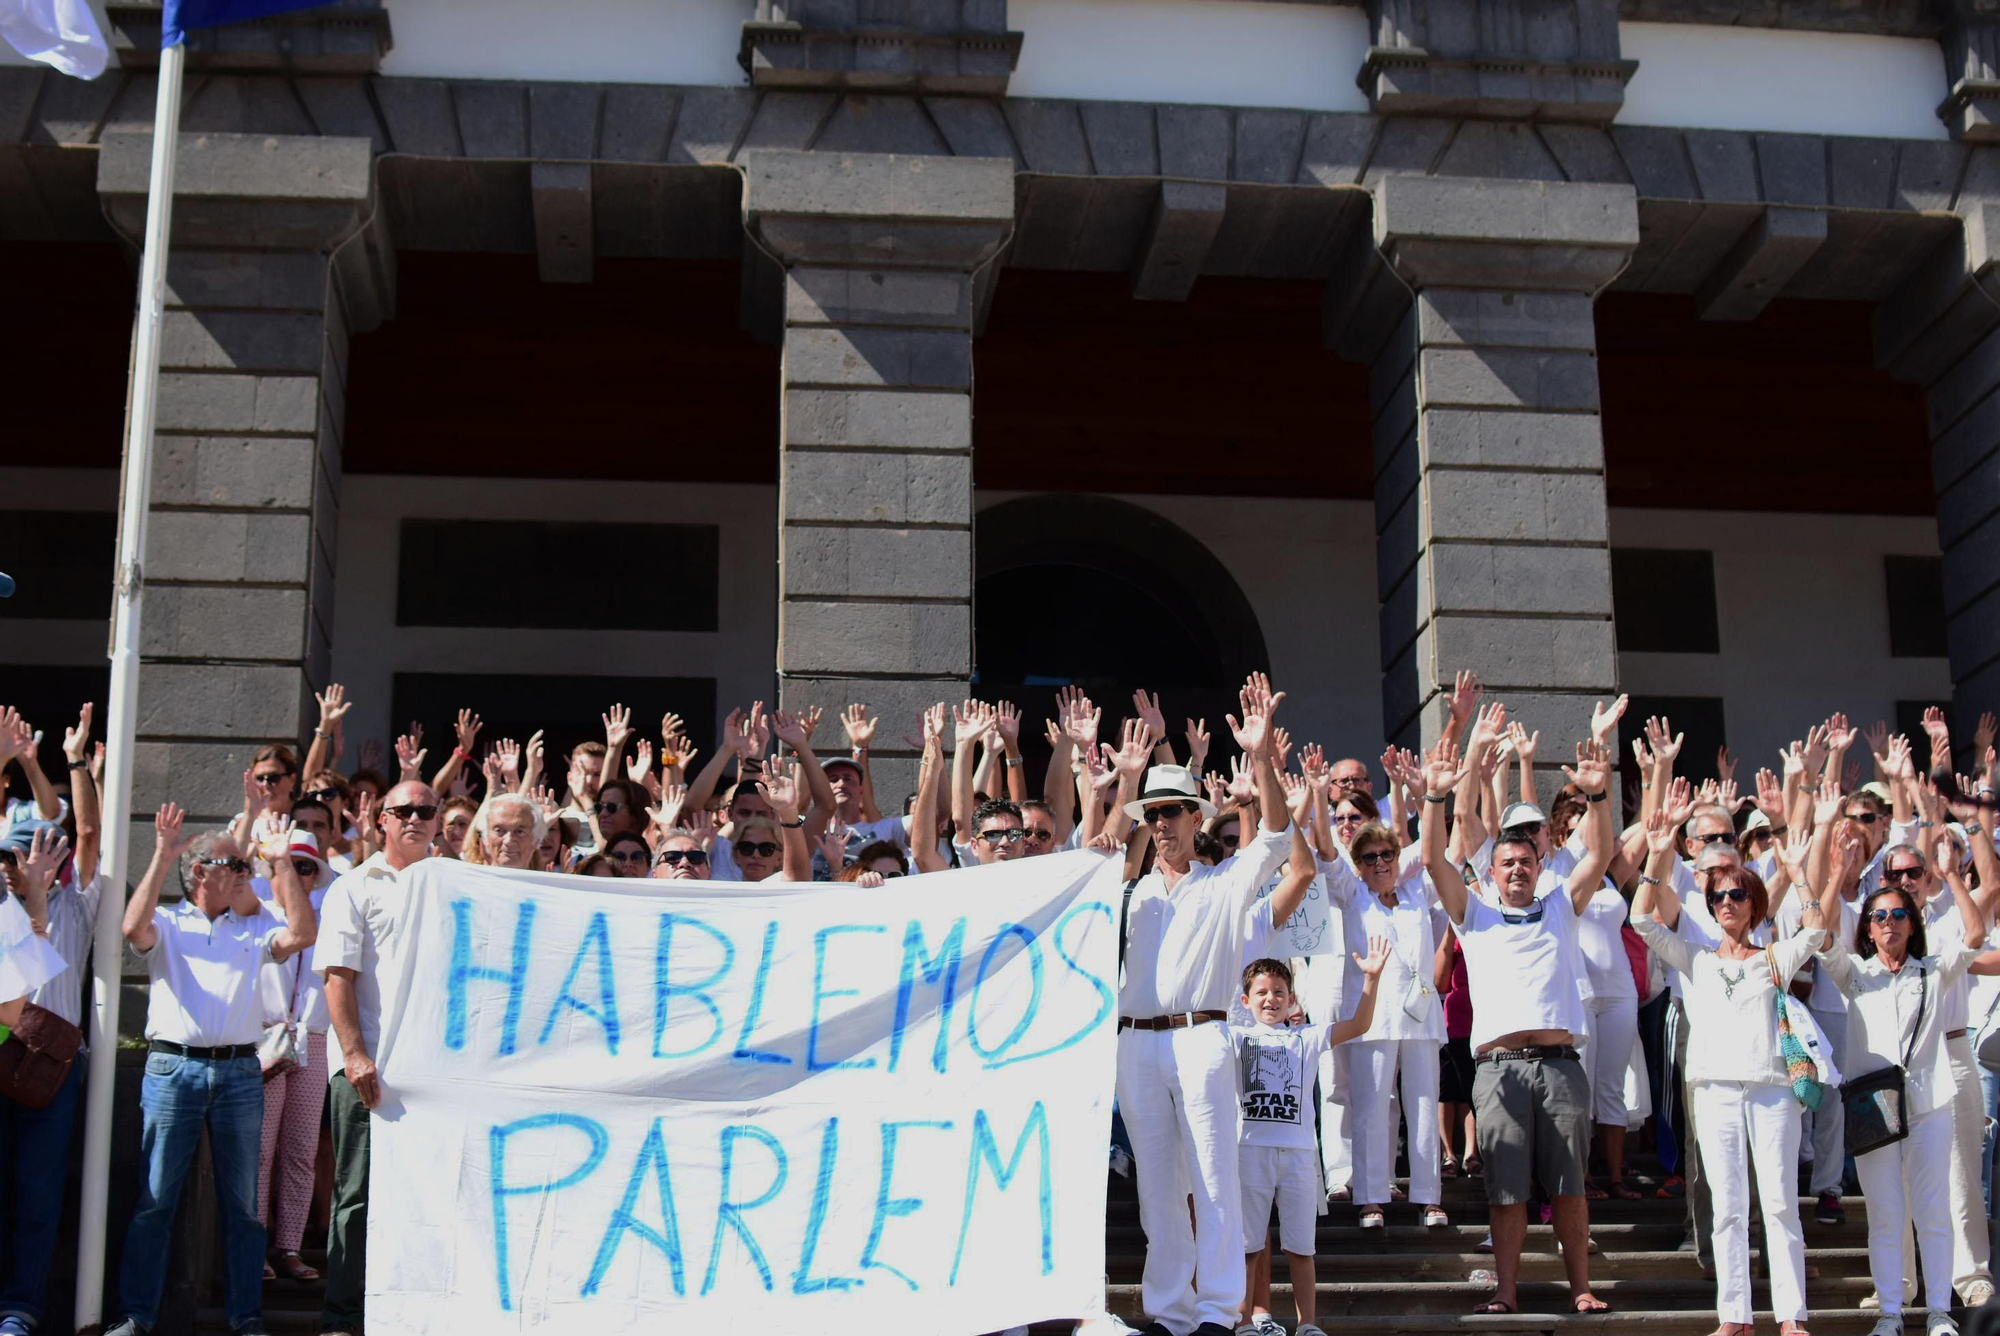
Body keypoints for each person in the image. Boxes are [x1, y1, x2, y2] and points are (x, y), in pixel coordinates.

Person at [1101, 674, 1291, 1336]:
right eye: (1152, 815)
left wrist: (1262, 756)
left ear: (1195, 817)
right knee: (1156, 1191)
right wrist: (1128, 779)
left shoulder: (1224, 883)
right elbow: (1094, 852)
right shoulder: (1128, 891)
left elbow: (1277, 837)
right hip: (1136, 1042)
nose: (1161, 825)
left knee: (1213, 1181)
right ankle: (1171, 1312)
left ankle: (1217, 1311)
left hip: (1202, 1038)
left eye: (1172, 812)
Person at [1419, 733, 1615, 1318]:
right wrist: (1433, 799)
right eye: (1506, 863)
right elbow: (1433, 861)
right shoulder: (1473, 913)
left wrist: (1598, 793)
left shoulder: (1559, 905)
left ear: (1539, 864)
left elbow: (1600, 857)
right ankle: (1504, 1291)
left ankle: (1580, 1287)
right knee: (1504, 1192)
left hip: (1560, 1068)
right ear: (1493, 871)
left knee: (1570, 1188)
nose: (1517, 870)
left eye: (1526, 860)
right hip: (1499, 1071)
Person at [105, 805, 317, 1336]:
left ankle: (245, 1319)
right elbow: (132, 928)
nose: (246, 873)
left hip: (241, 1073)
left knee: (243, 1209)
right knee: (155, 1201)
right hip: (173, 1068)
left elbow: (302, 934)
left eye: (246, 865)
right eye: (236, 865)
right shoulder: (170, 922)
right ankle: (137, 1316)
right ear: (202, 872)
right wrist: (162, 853)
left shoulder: (253, 926)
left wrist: (281, 863)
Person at [1631, 817, 1823, 1336]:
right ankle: (1735, 1317)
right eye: (1719, 897)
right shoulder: (1694, 958)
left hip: (1772, 1089)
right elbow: (1642, 920)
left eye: (1738, 894)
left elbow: (1817, 929)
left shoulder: (1774, 958)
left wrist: (1797, 873)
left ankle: (1791, 1316)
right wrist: (1655, 856)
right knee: (1727, 1207)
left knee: (1781, 1204)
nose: (1728, 903)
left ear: (1754, 903)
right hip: (1713, 1089)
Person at [1822, 843, 1988, 1336]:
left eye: (1898, 915)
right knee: (1885, 1213)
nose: (1889, 923)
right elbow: (1819, 932)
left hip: (1930, 1104)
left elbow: (1976, 933)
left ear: (1912, 924)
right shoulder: (1856, 974)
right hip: (1874, 1108)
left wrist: (1952, 875)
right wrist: (1836, 875)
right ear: (1868, 929)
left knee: (1934, 1210)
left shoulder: (1932, 971)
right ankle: (1891, 1314)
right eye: (1879, 916)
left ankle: (1939, 1311)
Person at [315, 782, 442, 1336]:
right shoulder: (352, 887)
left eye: (426, 811)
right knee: (358, 1194)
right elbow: (336, 978)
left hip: (434, 1070)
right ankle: (344, 1319)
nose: (416, 818)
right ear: (382, 820)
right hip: (369, 1066)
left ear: (438, 822)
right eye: (404, 811)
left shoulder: (455, 884)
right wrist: (354, 1055)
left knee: (432, 1194)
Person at [0, 703, 96, 1336]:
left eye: (34, 854)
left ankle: (21, 1310)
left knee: (38, 1198)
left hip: (52, 1068)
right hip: (1, 1044)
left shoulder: (79, 902)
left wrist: (76, 762)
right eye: (10, 856)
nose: (19, 866)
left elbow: (88, 833)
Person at [1316, 819, 1450, 1229]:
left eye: (1386, 855)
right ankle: (1371, 1197)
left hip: (1421, 1017)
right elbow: (1325, 851)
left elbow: (1439, 853)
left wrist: (1437, 796)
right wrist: (1319, 796)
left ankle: (1429, 1197)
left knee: (1424, 1106)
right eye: (1369, 857)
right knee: (1372, 1107)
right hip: (1371, 1018)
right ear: (1358, 863)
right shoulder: (1352, 892)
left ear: (1397, 856)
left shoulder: (1416, 890)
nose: (1379, 863)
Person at [254, 829, 335, 1285]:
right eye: (288, 863)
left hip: (314, 1039)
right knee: (261, 1151)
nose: (297, 874)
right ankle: (255, 1246)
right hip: (263, 1038)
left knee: (301, 1152)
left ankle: (288, 1246)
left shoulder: (329, 911)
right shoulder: (255, 910)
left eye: (306, 866)